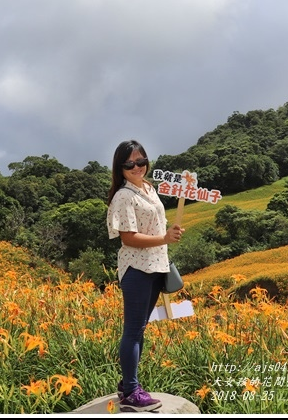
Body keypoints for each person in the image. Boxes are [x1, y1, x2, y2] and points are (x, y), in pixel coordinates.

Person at [106, 139, 184, 412]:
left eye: (141, 161)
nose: (137, 167)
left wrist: (168, 234)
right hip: (137, 269)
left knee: (140, 330)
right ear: (121, 168)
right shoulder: (123, 196)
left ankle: (127, 383)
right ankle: (130, 392)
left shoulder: (149, 189)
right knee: (132, 331)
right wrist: (163, 237)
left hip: (156, 266)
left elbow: (154, 225)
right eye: (130, 164)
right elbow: (128, 239)